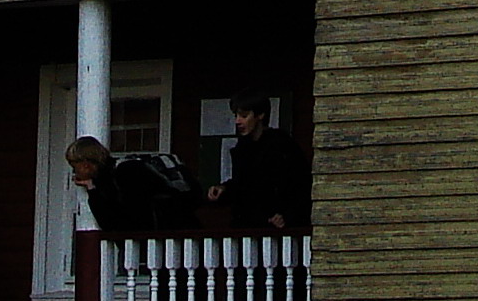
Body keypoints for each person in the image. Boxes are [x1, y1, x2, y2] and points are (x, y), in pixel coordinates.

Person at [207, 95, 311, 231]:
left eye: (244, 116)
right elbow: (242, 185)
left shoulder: (282, 145)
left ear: (260, 115)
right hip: (248, 227)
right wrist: (223, 190)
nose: (238, 121)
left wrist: (287, 216)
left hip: (280, 230)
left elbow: (301, 185)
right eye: (236, 116)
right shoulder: (242, 148)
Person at [64, 137, 195, 232]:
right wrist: (91, 188)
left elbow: (119, 221)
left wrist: (94, 191)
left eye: (75, 167)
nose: (75, 172)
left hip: (163, 238)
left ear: (86, 164)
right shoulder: (109, 177)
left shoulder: (126, 172)